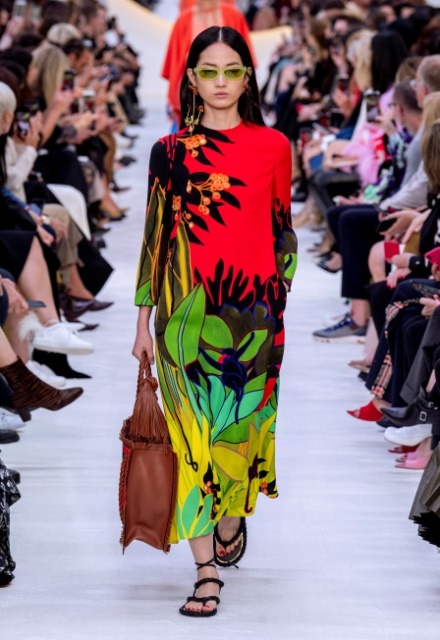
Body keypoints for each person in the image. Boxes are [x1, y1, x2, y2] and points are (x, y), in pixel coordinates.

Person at [133, 26, 297, 617]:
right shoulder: (170, 152)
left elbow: (282, 229)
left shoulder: (274, 146)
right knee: (191, 441)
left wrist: (279, 297)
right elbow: (155, 240)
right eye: (210, 71)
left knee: (240, 433)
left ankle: (231, 513)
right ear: (192, 78)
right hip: (184, 317)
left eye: (232, 71)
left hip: (254, 316)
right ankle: (206, 572)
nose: (221, 82)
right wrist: (142, 321)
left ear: (247, 79)